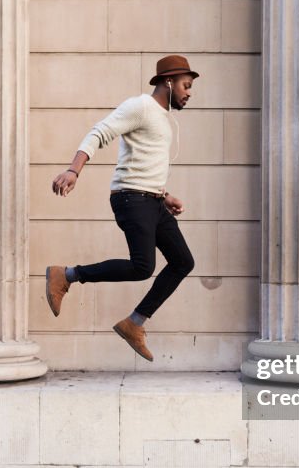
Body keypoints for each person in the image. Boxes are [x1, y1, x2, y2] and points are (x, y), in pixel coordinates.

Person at [45, 55, 198, 361]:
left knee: (183, 262)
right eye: (186, 85)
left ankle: (134, 323)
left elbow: (144, 161)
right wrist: (73, 170)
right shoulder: (140, 106)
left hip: (152, 200)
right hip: (131, 198)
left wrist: (164, 195)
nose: (189, 92)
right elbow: (99, 132)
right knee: (143, 267)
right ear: (169, 81)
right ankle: (67, 275)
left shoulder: (163, 119)